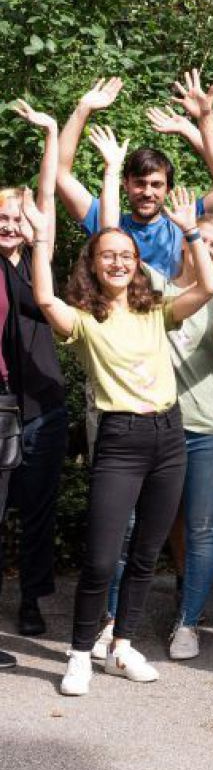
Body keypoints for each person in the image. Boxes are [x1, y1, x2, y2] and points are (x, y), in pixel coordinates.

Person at [28, 154, 213, 696]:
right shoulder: (85, 318)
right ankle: (80, 652)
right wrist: (43, 240)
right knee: (101, 557)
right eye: (108, 255)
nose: (118, 262)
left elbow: (206, 289)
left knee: (145, 555)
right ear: (93, 263)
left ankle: (125, 645)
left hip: (168, 436)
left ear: (138, 263)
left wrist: (191, 234)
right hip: (119, 440)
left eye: (127, 256)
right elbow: (43, 297)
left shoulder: (155, 307)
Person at [0, 102, 68, 643]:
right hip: (0, 403)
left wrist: (51, 133)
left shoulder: (37, 260)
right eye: (0, 215)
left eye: (15, 217)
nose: (9, 223)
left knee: (39, 512)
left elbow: (46, 198)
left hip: (43, 404)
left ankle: (30, 602)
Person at [157, 204, 213, 660]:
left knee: (202, 524)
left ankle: (188, 621)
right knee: (169, 523)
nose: (204, 249)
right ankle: (186, 592)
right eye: (197, 239)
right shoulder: (156, 290)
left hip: (211, 428)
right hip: (160, 426)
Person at [56, 72, 213, 277]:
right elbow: (59, 174)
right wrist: (82, 110)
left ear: (168, 189)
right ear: (125, 184)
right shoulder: (107, 218)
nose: (147, 192)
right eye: (140, 183)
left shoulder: (185, 221)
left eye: (156, 184)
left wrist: (195, 130)